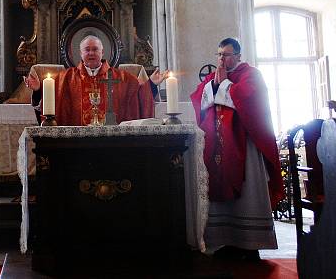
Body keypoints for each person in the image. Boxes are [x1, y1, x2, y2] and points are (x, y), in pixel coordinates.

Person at [189, 38, 282, 260]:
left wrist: (221, 86)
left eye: (227, 54)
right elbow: (198, 98)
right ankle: (221, 240)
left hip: (245, 145)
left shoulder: (251, 75)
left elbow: (248, 99)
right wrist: (214, 86)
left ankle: (249, 244)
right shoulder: (215, 78)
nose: (222, 59)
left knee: (247, 189)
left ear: (239, 56)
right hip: (216, 145)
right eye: (219, 54)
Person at [24, 35, 168, 125]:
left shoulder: (122, 78)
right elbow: (50, 97)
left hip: (112, 142)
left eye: (95, 49)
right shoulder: (65, 78)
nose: (91, 53)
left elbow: (138, 95)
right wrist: (38, 90)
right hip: (75, 144)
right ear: (81, 53)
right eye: (87, 49)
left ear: (102, 52)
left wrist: (151, 84)